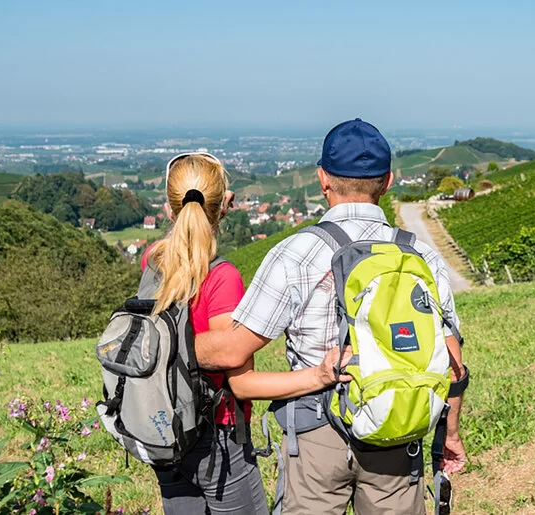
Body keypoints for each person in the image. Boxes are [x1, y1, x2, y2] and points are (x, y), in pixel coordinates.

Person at [194, 119, 468, 515]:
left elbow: (232, 352)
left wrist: (180, 343)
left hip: (314, 433)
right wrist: (450, 434)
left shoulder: (297, 252)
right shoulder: (420, 256)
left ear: (322, 178)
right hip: (397, 427)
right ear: (387, 181)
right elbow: (452, 360)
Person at [146, 152, 351, 515]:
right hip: (217, 437)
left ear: (167, 208)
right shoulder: (222, 277)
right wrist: (317, 376)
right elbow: (241, 380)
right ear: (227, 204)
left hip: (164, 429)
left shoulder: (153, 260)